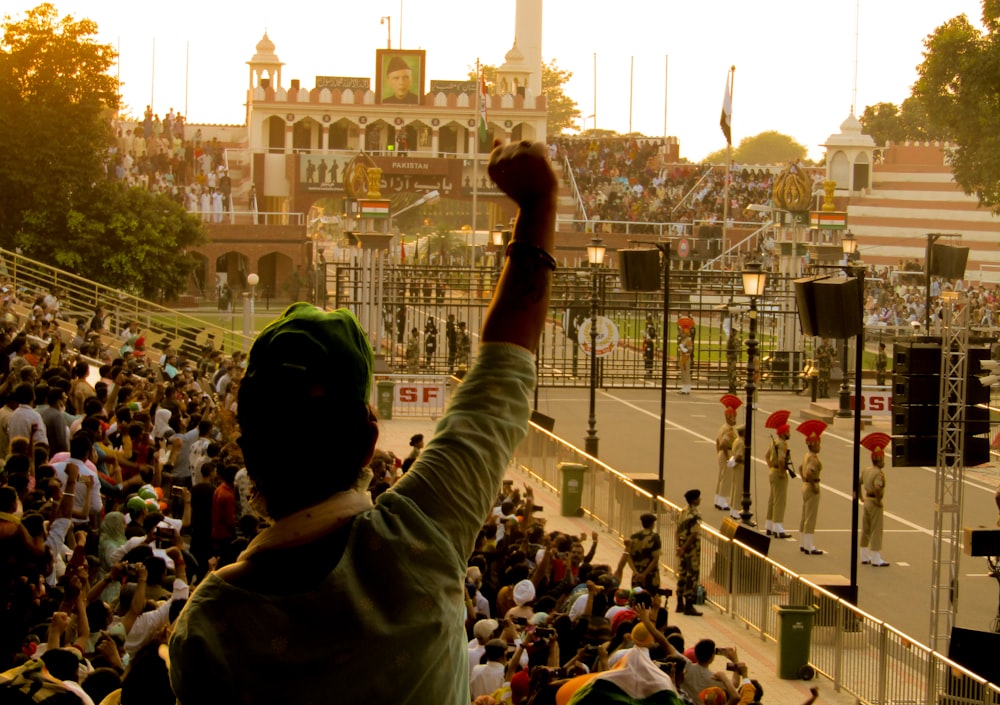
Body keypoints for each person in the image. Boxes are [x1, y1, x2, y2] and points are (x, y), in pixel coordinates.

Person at [168, 138, 558, 704]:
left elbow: (499, 381)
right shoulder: (419, 539)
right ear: (368, 440)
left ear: (247, 450)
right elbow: (501, 378)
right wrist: (538, 204)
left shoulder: (209, 626)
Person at [860, 432, 891, 567]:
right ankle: (876, 558)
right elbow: (878, 488)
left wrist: (861, 496)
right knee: (876, 529)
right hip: (874, 501)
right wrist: (878, 500)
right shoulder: (878, 473)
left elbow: (858, 482)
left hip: (866, 500)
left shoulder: (866, 470)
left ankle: (864, 555)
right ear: (879, 459)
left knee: (866, 528)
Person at [797, 419, 827, 554]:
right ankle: (809, 545)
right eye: (818, 444)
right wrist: (814, 485)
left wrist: (804, 479)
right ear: (813, 444)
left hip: (805, 485)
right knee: (810, 516)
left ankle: (803, 543)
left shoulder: (806, 455)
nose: (820, 446)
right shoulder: (813, 458)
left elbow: (800, 468)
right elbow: (809, 472)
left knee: (804, 515)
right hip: (811, 486)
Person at [764, 410, 793, 539]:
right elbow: (781, 459)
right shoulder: (781, 444)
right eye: (788, 431)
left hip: (772, 472)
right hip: (778, 473)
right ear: (784, 432)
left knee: (772, 499)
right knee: (780, 501)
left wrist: (772, 467)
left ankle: (769, 525)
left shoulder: (774, 442)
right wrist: (781, 471)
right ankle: (778, 527)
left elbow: (766, 456)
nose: (789, 433)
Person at [675, 489, 702, 616]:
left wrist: (679, 547)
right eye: (698, 498)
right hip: (691, 549)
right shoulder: (695, 514)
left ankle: (679, 602)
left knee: (682, 574)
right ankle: (689, 605)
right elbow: (694, 533)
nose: (700, 499)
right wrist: (685, 547)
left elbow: (677, 530)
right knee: (691, 575)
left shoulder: (683, 511)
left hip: (682, 547)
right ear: (694, 500)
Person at [714, 394, 741, 511]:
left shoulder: (723, 427)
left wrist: (718, 453)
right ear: (729, 417)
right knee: (727, 478)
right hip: (727, 452)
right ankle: (722, 501)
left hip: (721, 453)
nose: (735, 420)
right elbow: (724, 443)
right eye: (733, 417)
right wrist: (726, 456)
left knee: (721, 476)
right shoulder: (729, 429)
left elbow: (717, 441)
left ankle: (718, 498)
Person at [627, 513, 661, 592]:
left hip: (636, 576)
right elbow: (655, 559)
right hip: (651, 577)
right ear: (652, 524)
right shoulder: (654, 537)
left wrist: (635, 572)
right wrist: (644, 574)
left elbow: (628, 557)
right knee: (651, 599)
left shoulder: (634, 537)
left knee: (637, 598)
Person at [727, 425, 746, 521]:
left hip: (736, 467)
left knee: (735, 488)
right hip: (740, 466)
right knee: (739, 489)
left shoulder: (737, 440)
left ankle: (733, 509)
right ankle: (736, 510)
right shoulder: (742, 443)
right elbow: (739, 456)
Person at [678, 323, 693, 394]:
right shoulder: (683, 340)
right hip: (682, 357)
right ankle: (684, 386)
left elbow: (690, 350)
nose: (681, 334)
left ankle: (687, 387)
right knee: (683, 373)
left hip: (686, 358)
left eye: (682, 332)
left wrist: (683, 348)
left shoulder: (688, 340)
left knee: (686, 372)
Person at [726, 328, 740, 393]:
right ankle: (730, 387)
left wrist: (731, 355)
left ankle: (733, 389)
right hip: (729, 359)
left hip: (732, 359)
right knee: (729, 374)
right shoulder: (730, 339)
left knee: (733, 374)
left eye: (731, 331)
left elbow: (737, 351)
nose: (730, 333)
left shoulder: (735, 340)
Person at [643, 314, 656, 378]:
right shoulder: (647, 327)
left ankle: (649, 370)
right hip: (646, 343)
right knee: (646, 355)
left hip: (649, 343)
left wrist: (649, 337)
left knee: (649, 356)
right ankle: (647, 369)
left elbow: (653, 335)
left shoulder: (651, 327)